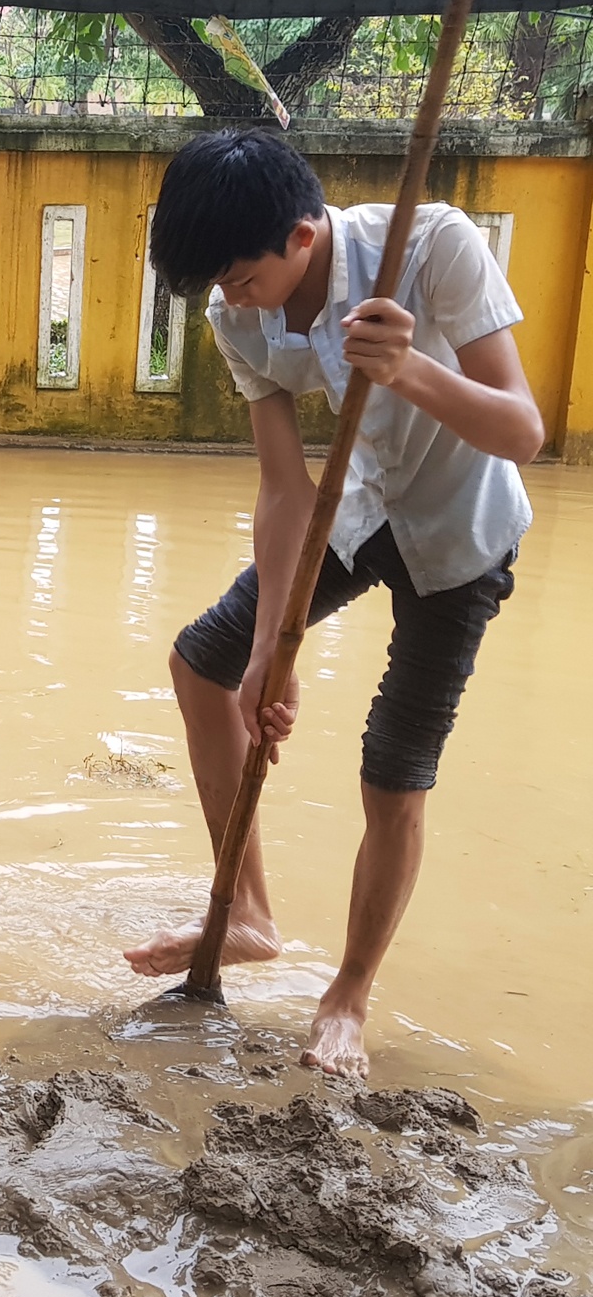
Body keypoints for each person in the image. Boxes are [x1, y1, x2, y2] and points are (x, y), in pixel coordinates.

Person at [125, 128, 545, 1079]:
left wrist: (410, 369)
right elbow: (284, 488)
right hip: (354, 513)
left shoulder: (433, 248)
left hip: (461, 533)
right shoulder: (237, 314)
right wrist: (274, 648)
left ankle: (349, 993)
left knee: (393, 771)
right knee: (204, 665)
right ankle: (248, 913)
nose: (233, 298)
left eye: (242, 277)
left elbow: (523, 431)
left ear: (304, 237)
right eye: (220, 285)